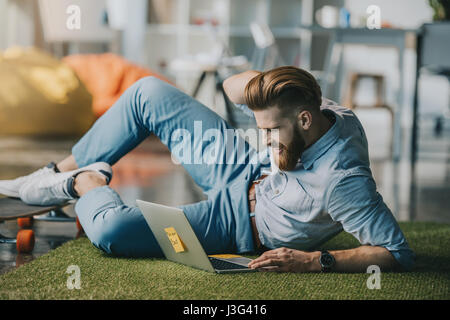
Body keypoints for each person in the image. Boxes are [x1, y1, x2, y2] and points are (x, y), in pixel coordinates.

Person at [0, 66, 415, 272]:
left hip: (241, 222)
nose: (265, 137)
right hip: (244, 169)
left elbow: (397, 253)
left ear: (305, 121)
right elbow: (235, 91)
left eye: (271, 130)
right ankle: (53, 171)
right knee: (147, 92)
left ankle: (85, 180)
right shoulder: (319, 108)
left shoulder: (345, 182)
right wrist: (261, 84)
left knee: (110, 232)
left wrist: (311, 261)